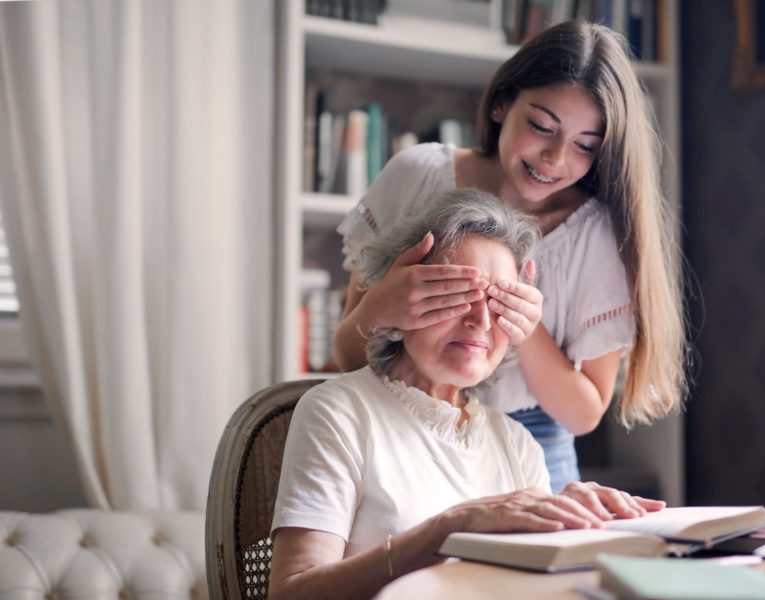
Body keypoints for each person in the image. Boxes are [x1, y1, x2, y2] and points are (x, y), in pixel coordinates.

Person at [333, 20, 687, 492]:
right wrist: (383, 306)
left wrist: (522, 325)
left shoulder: (596, 236)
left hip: (534, 447)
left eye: (585, 146)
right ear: (501, 104)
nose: (554, 158)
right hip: (401, 428)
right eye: (541, 126)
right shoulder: (416, 175)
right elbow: (345, 356)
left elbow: (584, 414)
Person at [269, 189, 666, 600]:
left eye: (500, 303)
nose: (479, 319)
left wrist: (583, 527)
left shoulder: (518, 445)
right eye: (458, 293)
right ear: (405, 296)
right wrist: (453, 526)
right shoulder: (338, 414)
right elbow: (291, 593)